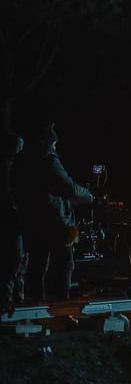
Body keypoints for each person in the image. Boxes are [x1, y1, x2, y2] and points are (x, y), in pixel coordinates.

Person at [11, 124, 94, 302]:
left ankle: (37, 307)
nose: (56, 148)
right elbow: (68, 187)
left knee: (37, 266)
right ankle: (61, 308)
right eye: (54, 144)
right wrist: (88, 195)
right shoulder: (48, 161)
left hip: (33, 221)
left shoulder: (23, 162)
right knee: (65, 265)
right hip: (55, 222)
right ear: (48, 143)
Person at [1, 132, 25, 313]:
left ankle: (15, 297)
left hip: (14, 221)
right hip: (11, 221)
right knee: (13, 260)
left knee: (16, 260)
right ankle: (8, 300)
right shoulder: (9, 168)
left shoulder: (13, 168)